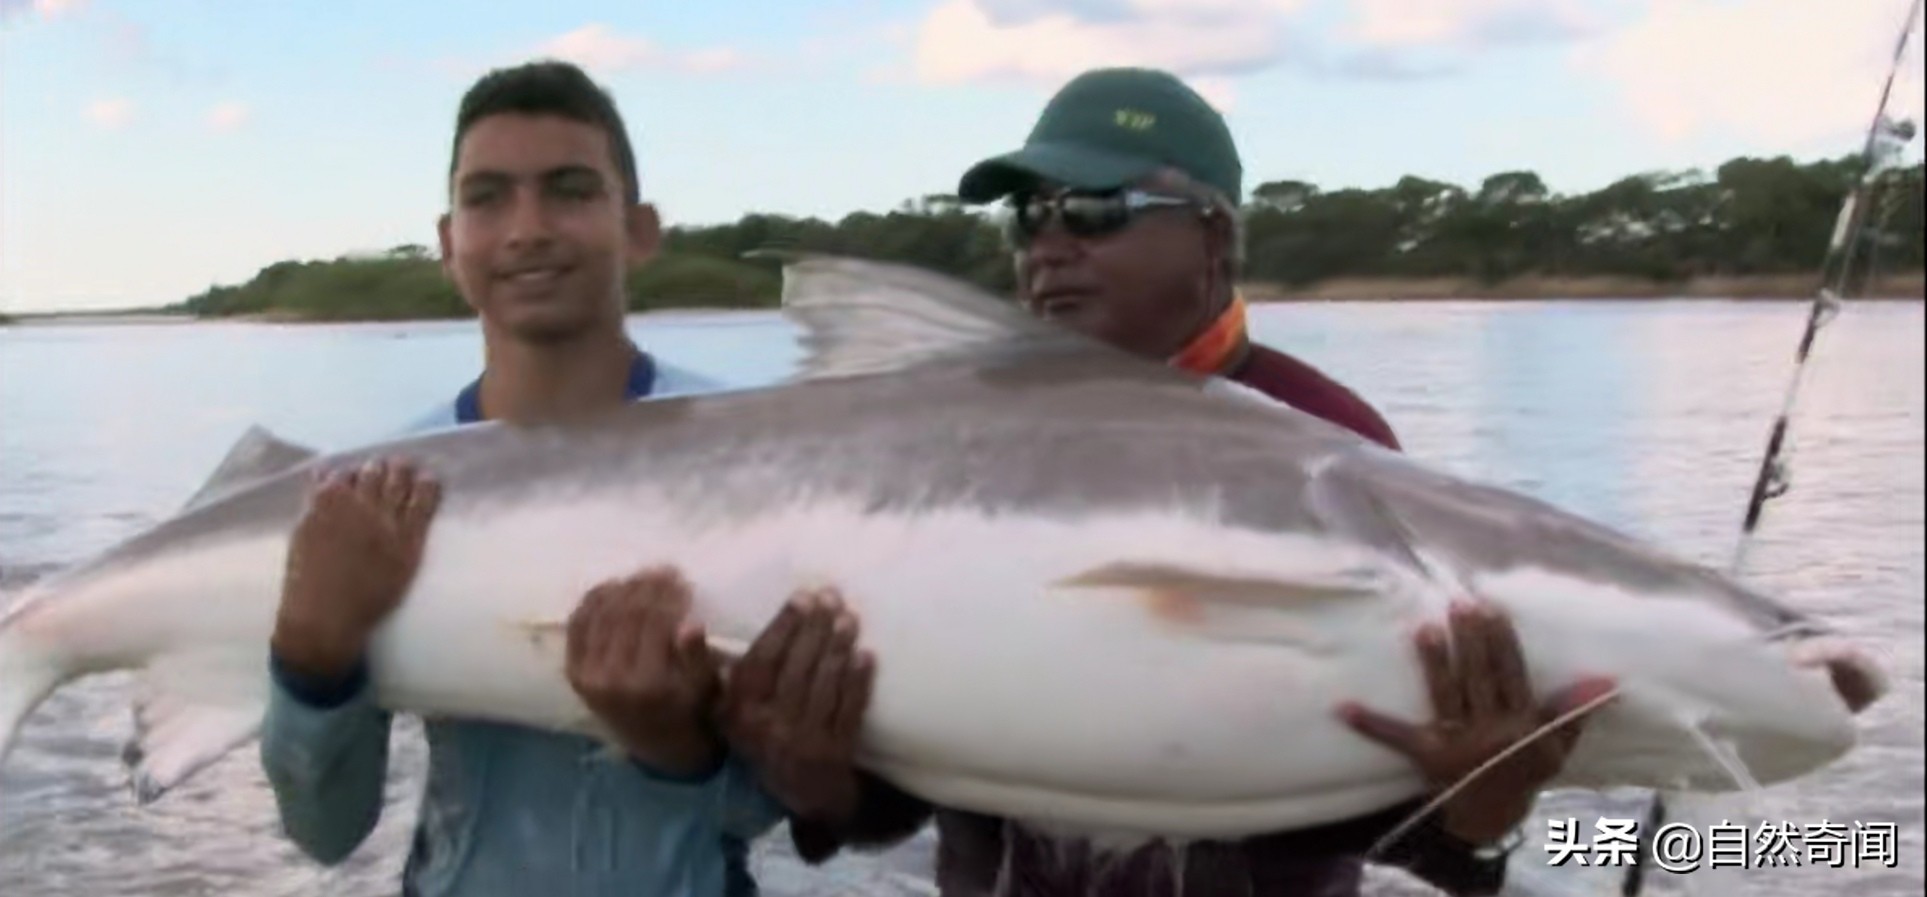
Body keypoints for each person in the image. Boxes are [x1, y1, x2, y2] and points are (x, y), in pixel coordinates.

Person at [715, 67, 1621, 897]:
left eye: (1096, 209)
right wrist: (815, 774)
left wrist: (1478, 811)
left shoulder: (1326, 443)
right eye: (1030, 216)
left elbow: (1388, 822)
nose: (1052, 244)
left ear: (1213, 237)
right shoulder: (952, 442)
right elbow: (898, 796)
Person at [257, 59, 867, 897]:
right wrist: (312, 662)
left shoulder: (765, 453)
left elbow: (788, 806)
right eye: (488, 197)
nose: (526, 229)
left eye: (571, 190)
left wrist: (676, 754)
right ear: (447, 242)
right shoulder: (383, 487)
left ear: (640, 229)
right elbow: (325, 832)